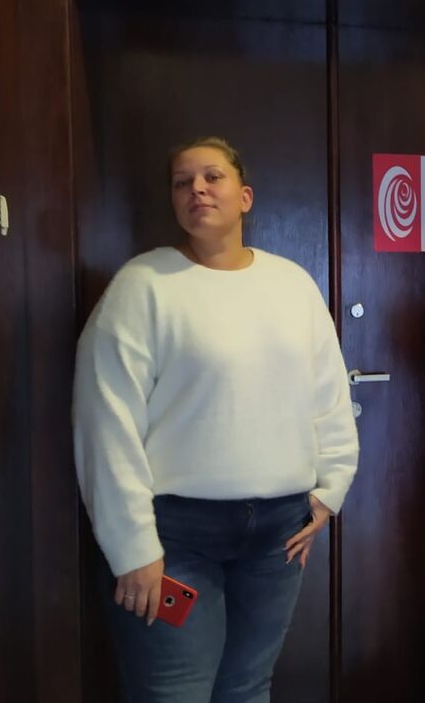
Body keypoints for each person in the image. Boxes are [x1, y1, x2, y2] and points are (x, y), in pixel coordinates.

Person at [73, 136, 359, 703]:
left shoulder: (292, 285)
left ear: (244, 196)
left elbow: (327, 392)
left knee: (247, 688)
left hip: (278, 536)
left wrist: (331, 490)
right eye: (183, 182)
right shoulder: (143, 286)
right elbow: (105, 422)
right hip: (175, 540)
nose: (197, 190)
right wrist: (133, 549)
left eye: (212, 177)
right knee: (173, 692)